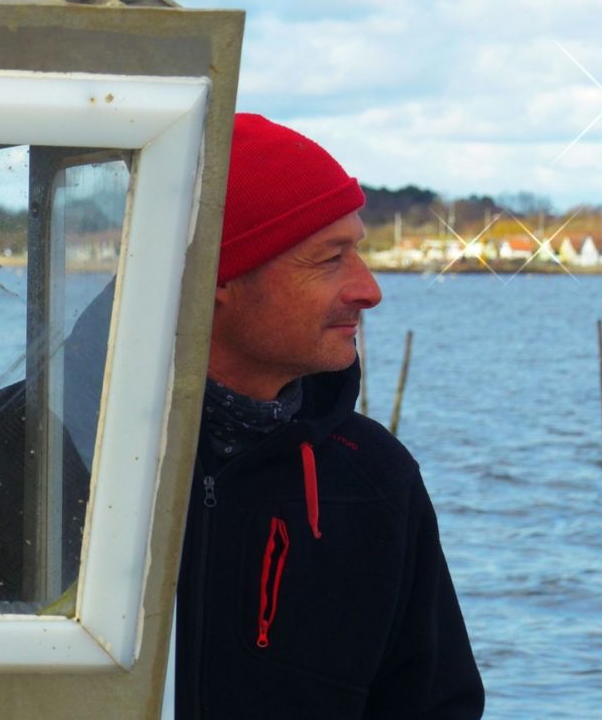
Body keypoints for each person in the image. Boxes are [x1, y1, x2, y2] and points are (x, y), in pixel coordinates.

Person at [174, 114, 484, 718]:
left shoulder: (373, 474)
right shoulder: (38, 453)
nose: (370, 289)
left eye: (358, 252)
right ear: (221, 277)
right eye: (330, 258)